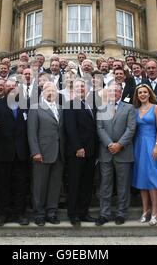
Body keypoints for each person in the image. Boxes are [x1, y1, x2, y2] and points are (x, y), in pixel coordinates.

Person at [0, 80, 30, 226]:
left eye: (14, 86)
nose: (11, 88)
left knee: (20, 185)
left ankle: (19, 214)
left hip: (21, 153)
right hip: (2, 152)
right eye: (8, 86)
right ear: (3, 89)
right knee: (3, 185)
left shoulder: (27, 104)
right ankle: (3, 213)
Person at [95, 82, 136, 226]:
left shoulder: (129, 108)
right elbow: (99, 128)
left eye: (116, 91)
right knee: (105, 185)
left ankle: (121, 213)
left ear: (120, 93)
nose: (113, 94)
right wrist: (109, 144)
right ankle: (104, 213)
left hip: (123, 151)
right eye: (111, 91)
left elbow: (131, 128)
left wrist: (119, 144)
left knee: (123, 185)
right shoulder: (101, 108)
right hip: (106, 152)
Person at [28, 82, 65, 226]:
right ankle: (39, 213)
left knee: (55, 185)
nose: (50, 93)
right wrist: (35, 151)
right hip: (42, 153)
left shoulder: (61, 109)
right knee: (40, 185)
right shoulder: (35, 108)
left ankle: (51, 212)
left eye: (53, 91)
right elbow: (31, 133)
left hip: (58, 153)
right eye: (47, 90)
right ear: (42, 92)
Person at [64, 79, 98, 226]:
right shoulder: (70, 105)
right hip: (77, 152)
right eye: (78, 87)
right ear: (73, 90)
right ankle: (73, 214)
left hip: (91, 151)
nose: (81, 89)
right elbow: (70, 129)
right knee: (75, 183)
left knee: (87, 184)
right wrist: (78, 147)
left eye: (83, 86)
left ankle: (84, 212)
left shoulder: (91, 105)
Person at [132, 84, 157, 226]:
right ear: (137, 95)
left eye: (145, 92)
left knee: (152, 178)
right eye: (140, 92)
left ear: (149, 93)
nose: (142, 94)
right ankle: (145, 211)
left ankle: (155, 212)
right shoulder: (135, 110)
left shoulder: (156, 108)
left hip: (152, 144)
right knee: (141, 178)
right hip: (138, 145)